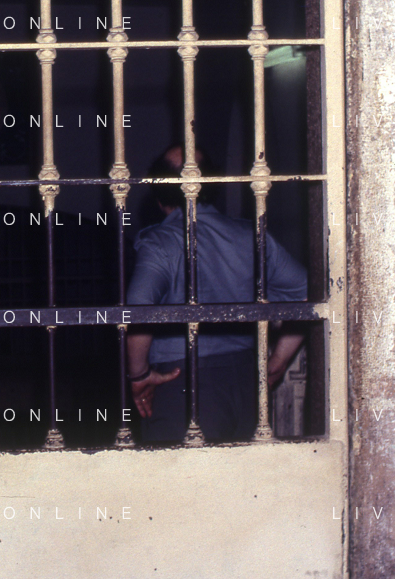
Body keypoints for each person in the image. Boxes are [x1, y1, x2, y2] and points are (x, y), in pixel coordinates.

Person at [126, 145, 307, 442]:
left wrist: (138, 375)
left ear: (158, 197)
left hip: (182, 384)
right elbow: (306, 295)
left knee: (181, 472)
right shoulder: (251, 236)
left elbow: (138, 310)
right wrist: (277, 362)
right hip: (246, 383)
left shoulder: (160, 243)